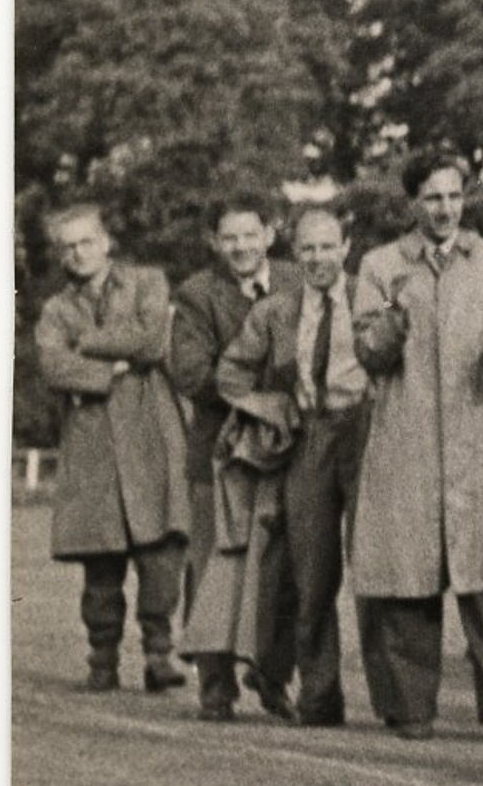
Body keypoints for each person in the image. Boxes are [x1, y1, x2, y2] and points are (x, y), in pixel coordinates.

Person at [351, 153, 483, 744]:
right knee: (408, 575)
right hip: (406, 439)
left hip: (478, 436)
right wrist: (393, 320)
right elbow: (369, 350)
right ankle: (410, 707)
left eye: (455, 196)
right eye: (433, 198)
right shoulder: (382, 265)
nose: (445, 209)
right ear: (413, 203)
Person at [201, 206, 369, 728]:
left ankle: (401, 702)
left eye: (328, 246)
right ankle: (320, 698)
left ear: (346, 247)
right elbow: (230, 372)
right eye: (307, 249)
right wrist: (266, 405)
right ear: (294, 255)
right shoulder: (277, 311)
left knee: (379, 566)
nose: (319, 258)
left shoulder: (373, 292)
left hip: (367, 433)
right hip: (309, 438)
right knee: (310, 574)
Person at [32, 202, 191, 694]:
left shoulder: (147, 281)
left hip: (150, 432)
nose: (77, 253)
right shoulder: (56, 308)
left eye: (85, 241)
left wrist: (87, 344)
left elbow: (151, 340)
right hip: (93, 443)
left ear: (105, 241)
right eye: (68, 246)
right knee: (100, 562)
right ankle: (102, 660)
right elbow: (53, 365)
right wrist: (111, 370)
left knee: (160, 553)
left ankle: (159, 655)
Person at [168, 197, 293, 718]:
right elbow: (192, 374)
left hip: (286, 451)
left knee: (282, 568)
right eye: (229, 237)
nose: (241, 246)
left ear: (270, 233)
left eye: (250, 234)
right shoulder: (198, 294)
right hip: (219, 453)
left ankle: (273, 677)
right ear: (216, 243)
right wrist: (260, 390)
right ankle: (215, 686)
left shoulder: (297, 278)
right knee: (213, 566)